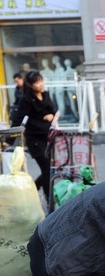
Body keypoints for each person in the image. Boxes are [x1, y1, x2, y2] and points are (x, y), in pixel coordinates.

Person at [10, 69, 58, 202]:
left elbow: (53, 110)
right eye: (37, 83)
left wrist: (51, 115)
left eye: (41, 81)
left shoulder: (46, 95)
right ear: (30, 85)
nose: (40, 84)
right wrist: (9, 138)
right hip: (35, 139)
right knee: (47, 169)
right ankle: (49, 200)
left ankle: (34, 189)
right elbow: (19, 118)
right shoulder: (26, 99)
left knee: (49, 169)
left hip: (48, 137)